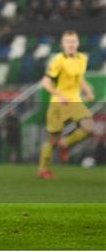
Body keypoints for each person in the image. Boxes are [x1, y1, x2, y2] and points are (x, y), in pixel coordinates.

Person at [38, 30, 95, 179]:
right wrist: (59, 95)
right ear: (63, 44)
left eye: (73, 41)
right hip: (58, 103)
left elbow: (79, 78)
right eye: (67, 42)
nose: (71, 44)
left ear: (78, 43)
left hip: (75, 101)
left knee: (89, 126)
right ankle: (43, 169)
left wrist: (88, 90)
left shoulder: (82, 58)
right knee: (52, 140)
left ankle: (65, 143)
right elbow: (46, 82)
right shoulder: (58, 60)